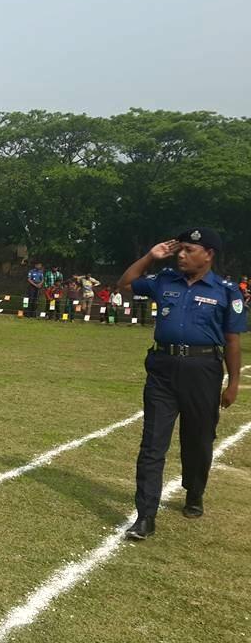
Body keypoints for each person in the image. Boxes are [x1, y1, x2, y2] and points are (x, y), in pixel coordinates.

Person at [118, 229, 245, 540]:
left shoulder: (226, 291)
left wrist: (233, 383)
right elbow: (124, 285)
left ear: (209, 254)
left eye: (189, 249)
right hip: (162, 369)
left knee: (198, 440)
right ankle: (145, 515)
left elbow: (232, 341)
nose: (181, 255)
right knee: (152, 444)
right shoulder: (165, 280)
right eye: (180, 250)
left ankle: (194, 491)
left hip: (203, 371)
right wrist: (150, 256)